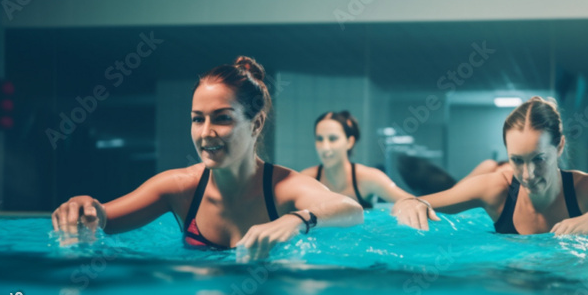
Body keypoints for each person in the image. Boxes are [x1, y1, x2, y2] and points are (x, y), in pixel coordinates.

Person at [51, 56, 363, 258]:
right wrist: (83, 207)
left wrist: (297, 220)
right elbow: (103, 218)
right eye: (198, 119)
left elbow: (350, 209)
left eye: (222, 118)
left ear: (256, 124)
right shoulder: (179, 188)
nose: (205, 132)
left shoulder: (282, 187)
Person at [392, 97, 588, 235]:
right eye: (517, 160)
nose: (527, 174)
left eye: (538, 159)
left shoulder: (586, 187)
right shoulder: (494, 188)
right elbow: (411, 202)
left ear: (558, 147)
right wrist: (413, 204)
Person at [300, 111, 414, 207]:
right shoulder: (307, 180)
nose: (325, 147)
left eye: (333, 139)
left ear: (350, 142)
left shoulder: (369, 178)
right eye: (319, 139)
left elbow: (414, 203)